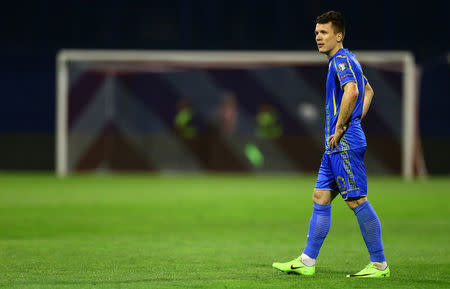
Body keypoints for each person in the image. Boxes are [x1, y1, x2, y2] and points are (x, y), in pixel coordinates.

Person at [272, 11, 390, 278]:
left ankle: (380, 265)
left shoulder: (340, 61)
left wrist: (342, 126)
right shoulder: (351, 60)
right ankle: (307, 261)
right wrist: (355, 118)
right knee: (320, 197)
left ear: (339, 35)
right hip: (336, 144)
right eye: (316, 32)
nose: (318, 37)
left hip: (343, 142)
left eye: (324, 32)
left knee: (357, 200)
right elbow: (368, 91)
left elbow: (353, 91)